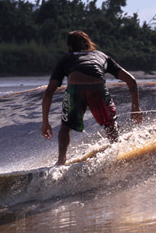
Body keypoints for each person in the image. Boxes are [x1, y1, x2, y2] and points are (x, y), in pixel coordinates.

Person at [41, 30, 143, 165]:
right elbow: (131, 80)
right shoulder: (101, 56)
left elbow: (49, 91)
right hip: (97, 88)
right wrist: (135, 107)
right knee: (110, 125)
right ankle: (117, 153)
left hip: (75, 88)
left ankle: (61, 161)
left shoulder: (67, 58)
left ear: (70, 47)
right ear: (88, 44)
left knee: (66, 126)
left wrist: (45, 122)